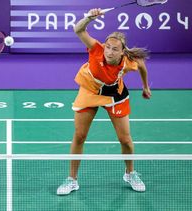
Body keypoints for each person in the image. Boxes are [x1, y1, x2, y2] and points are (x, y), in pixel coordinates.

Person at [56, 8, 152, 195]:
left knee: (125, 139)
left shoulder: (127, 61)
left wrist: (145, 87)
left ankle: (130, 173)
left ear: (122, 52)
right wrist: (88, 18)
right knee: (80, 135)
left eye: (114, 49)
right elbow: (78, 30)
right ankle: (72, 179)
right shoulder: (96, 49)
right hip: (90, 90)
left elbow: (141, 65)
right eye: (108, 46)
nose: (109, 51)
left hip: (114, 95)